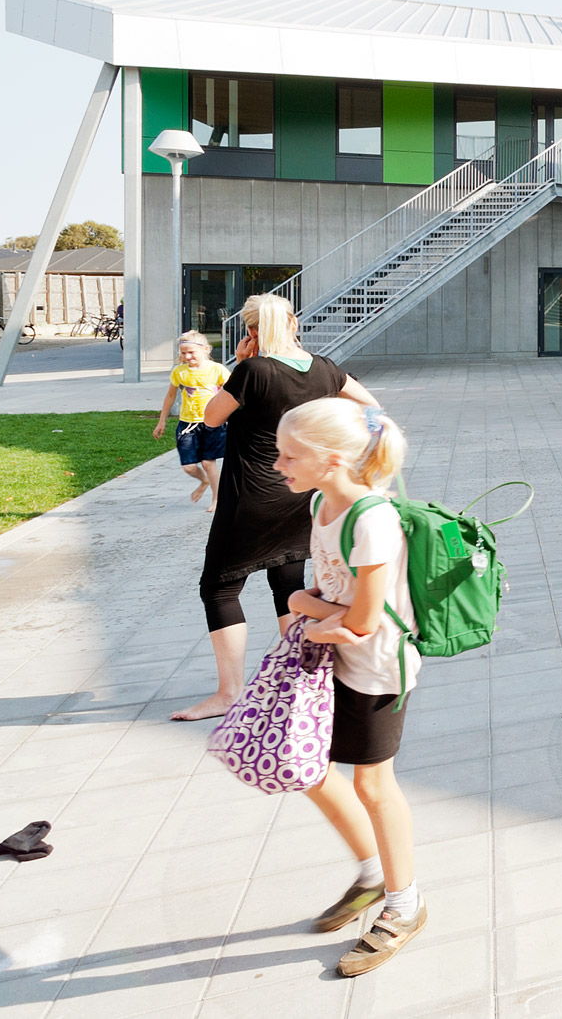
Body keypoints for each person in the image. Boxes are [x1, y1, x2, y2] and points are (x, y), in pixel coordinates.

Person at [273, 397, 428, 976]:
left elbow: (361, 621)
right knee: (309, 769)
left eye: (290, 456)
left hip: (378, 670)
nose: (279, 465)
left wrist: (299, 606)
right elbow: (329, 589)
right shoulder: (321, 502)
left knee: (374, 786)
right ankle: (371, 874)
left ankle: (404, 903)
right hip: (332, 662)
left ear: (332, 458)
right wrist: (313, 608)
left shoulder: (372, 519)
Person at [174, 293, 378, 722]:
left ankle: (230, 692)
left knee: (220, 586)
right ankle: (303, 680)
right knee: (288, 583)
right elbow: (370, 407)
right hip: (302, 495)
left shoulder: (252, 370)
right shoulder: (324, 368)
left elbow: (211, 418)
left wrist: (235, 364)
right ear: (294, 323)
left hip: (251, 496)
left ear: (251, 331)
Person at [153, 330, 229, 506]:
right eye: (183, 353)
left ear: (206, 349)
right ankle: (204, 481)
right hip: (187, 424)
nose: (187, 356)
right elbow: (170, 396)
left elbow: (232, 393)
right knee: (189, 466)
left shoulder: (217, 370)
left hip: (212, 422)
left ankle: (217, 499)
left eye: (191, 352)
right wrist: (162, 420)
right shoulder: (179, 372)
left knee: (208, 463)